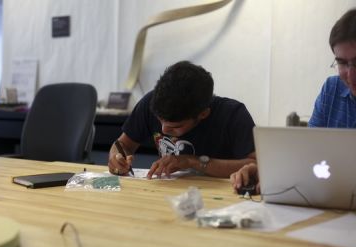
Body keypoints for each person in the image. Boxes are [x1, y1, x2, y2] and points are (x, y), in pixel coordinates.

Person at [231, 8, 356, 194]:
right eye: (342, 63)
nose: (350, 75)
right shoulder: (332, 89)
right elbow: (310, 154)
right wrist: (269, 171)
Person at [108, 60, 256, 179]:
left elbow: (257, 166)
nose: (164, 130)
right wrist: (117, 157)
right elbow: (122, 144)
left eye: (176, 126)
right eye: (160, 120)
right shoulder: (151, 103)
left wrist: (192, 161)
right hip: (170, 194)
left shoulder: (233, 115)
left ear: (203, 114)